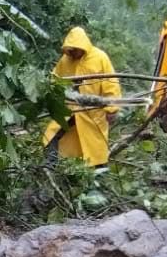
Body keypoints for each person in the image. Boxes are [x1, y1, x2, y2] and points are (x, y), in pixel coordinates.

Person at [42, 26, 122, 167]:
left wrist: (112, 108)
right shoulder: (65, 60)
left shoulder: (99, 57)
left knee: (94, 148)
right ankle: (50, 166)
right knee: (51, 135)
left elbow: (111, 84)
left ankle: (97, 175)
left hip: (93, 114)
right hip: (69, 110)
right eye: (71, 49)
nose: (73, 53)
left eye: (76, 49)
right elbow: (54, 79)